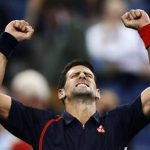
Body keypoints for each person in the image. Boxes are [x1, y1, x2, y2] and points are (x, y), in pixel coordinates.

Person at [0, 9, 150, 150]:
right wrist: (7, 41)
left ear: (98, 92)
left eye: (89, 75)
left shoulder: (117, 123)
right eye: (74, 75)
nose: (83, 75)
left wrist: (146, 29)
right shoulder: (42, 125)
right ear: (61, 93)